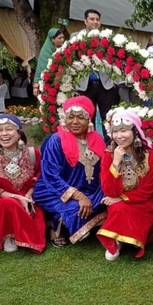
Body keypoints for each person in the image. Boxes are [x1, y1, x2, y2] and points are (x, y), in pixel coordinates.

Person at [33, 96, 106, 247]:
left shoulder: (97, 139)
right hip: (54, 190)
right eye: (70, 117)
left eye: (81, 118)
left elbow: (101, 170)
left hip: (88, 189)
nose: (75, 122)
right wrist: (79, 197)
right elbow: (51, 176)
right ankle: (56, 224)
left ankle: (66, 219)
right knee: (76, 207)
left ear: (89, 120)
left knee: (107, 200)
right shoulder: (56, 140)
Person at [0, 115, 46, 254]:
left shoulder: (33, 153)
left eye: (9, 129)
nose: (4, 134)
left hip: (29, 200)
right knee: (9, 204)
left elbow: (40, 177)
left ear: (19, 132)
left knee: (36, 218)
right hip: (1, 201)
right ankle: (8, 235)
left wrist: (28, 195)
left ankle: (21, 233)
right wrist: (17, 197)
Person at [97, 109, 153, 261]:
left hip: (143, 203)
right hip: (117, 203)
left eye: (123, 131)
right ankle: (117, 241)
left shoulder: (151, 156)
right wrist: (116, 162)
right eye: (115, 132)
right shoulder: (108, 155)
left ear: (135, 131)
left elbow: (149, 190)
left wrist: (122, 198)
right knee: (118, 208)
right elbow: (109, 190)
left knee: (121, 206)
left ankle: (130, 237)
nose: (119, 136)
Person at [73, 9, 120, 127]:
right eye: (92, 19)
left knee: (108, 118)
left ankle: (109, 144)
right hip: (85, 85)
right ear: (85, 21)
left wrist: (116, 81)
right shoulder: (76, 37)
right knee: (87, 118)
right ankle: (88, 144)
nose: (95, 22)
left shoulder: (107, 38)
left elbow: (117, 59)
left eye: (97, 20)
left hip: (106, 84)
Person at [33, 28, 65, 96]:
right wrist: (36, 86)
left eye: (63, 38)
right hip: (47, 84)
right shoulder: (45, 52)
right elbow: (40, 68)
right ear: (52, 39)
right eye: (59, 38)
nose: (62, 40)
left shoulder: (64, 50)